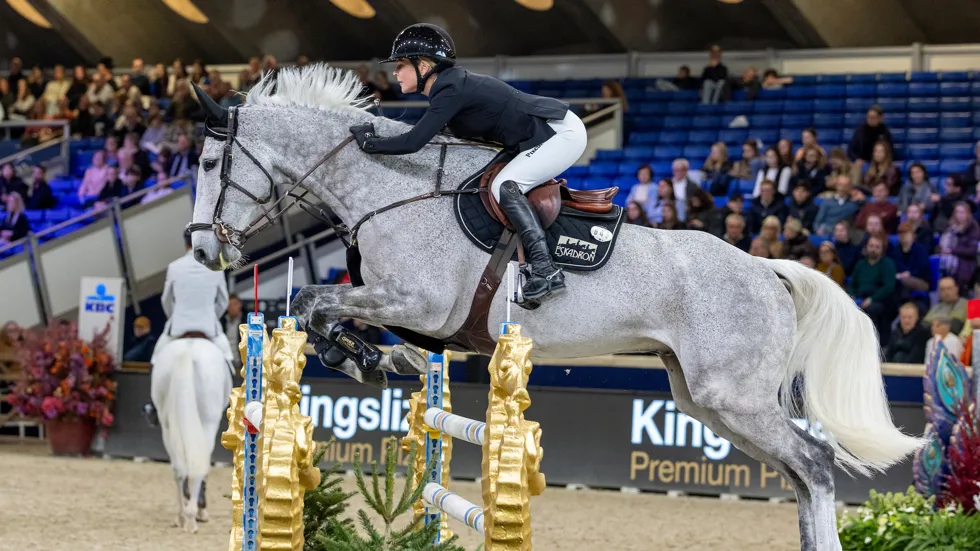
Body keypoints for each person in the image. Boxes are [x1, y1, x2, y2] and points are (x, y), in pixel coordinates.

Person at [348, 23, 586, 303]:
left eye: (401, 65)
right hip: (537, 136)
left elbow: (414, 142)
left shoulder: (450, 88)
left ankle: (546, 271)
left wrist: (370, 143)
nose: (395, 72)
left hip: (559, 133)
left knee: (504, 185)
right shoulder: (448, 87)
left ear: (423, 67)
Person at [143, 229, 234, 426]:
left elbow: (166, 300)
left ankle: (153, 407)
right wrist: (211, 317)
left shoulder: (174, 267)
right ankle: (231, 404)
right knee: (228, 360)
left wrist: (174, 317)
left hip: (178, 328)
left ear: (186, 243)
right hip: (209, 329)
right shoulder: (216, 267)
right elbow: (223, 301)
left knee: (156, 360)